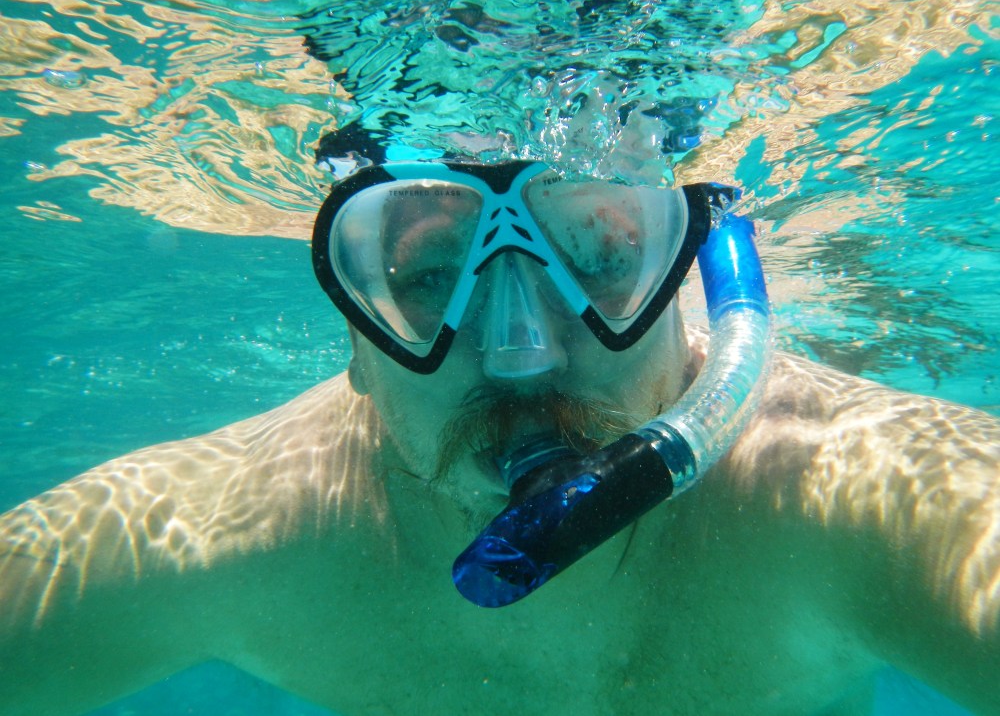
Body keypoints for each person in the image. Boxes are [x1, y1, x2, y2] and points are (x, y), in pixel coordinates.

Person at [1, 158, 997, 716]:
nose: (522, 352)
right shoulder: (224, 532)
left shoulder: (846, 486)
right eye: (431, 277)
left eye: (601, 256)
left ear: (679, 291)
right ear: (356, 337)